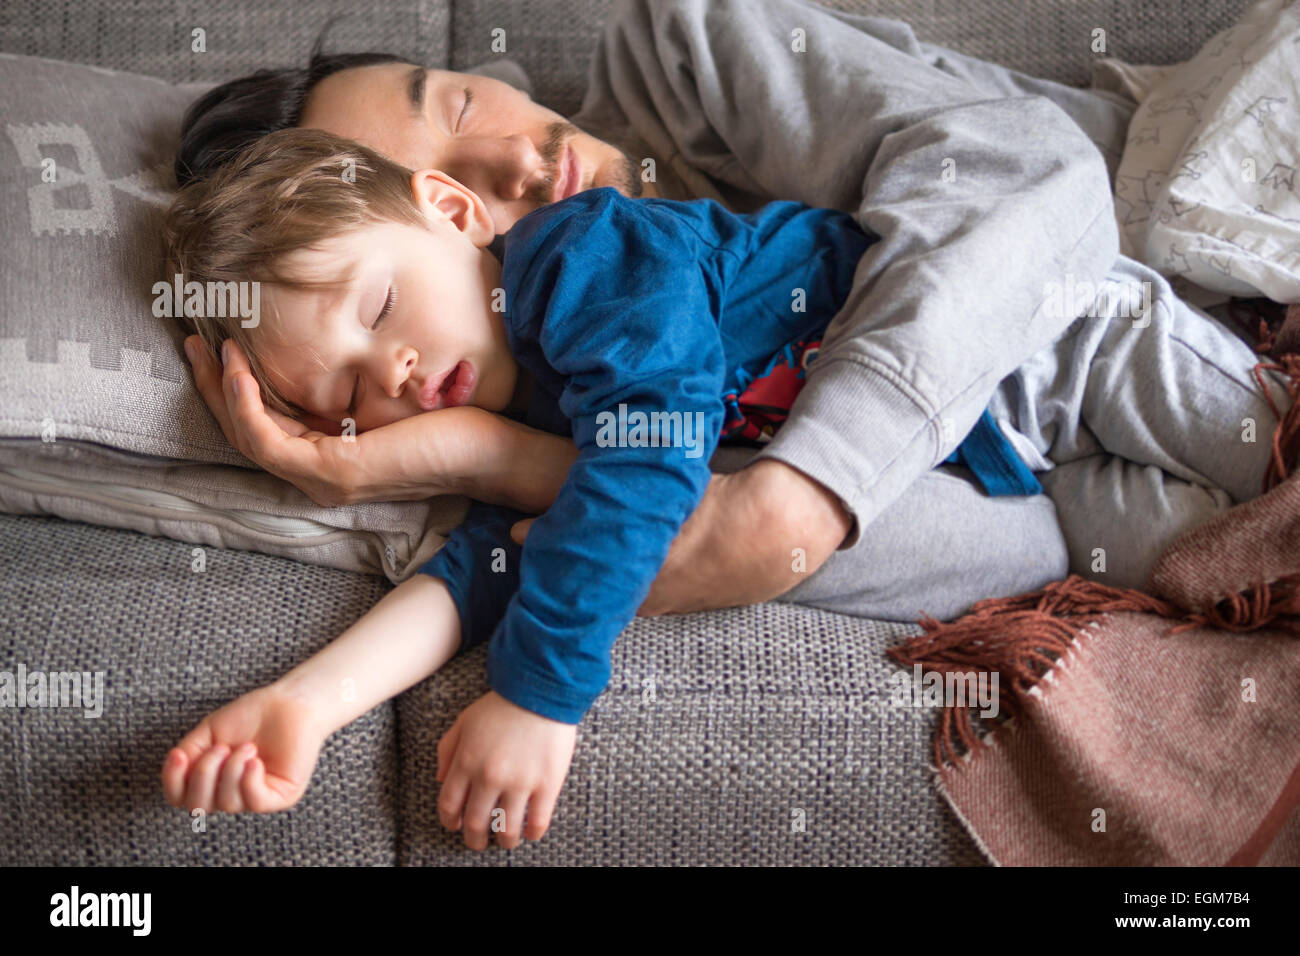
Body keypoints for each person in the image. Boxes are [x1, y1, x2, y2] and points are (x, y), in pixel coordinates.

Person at [158, 127, 1294, 851]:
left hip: (1043, 343)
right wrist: (305, 704)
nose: (393, 374)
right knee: (1216, 565)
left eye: (375, 313)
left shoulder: (580, 258)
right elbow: (477, 570)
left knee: (1274, 451)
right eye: (354, 394)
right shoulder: (503, 425)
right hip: (1005, 480)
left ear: (454, 215)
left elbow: (648, 453)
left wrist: (542, 692)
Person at [174, 0, 1150, 623]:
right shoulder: (524, 377)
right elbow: (1019, 544)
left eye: (461, 109)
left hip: (1160, 274)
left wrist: (788, 501)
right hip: (1055, 471)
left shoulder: (686, 48)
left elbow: (1032, 172)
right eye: (446, 191)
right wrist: (480, 456)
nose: (517, 167)